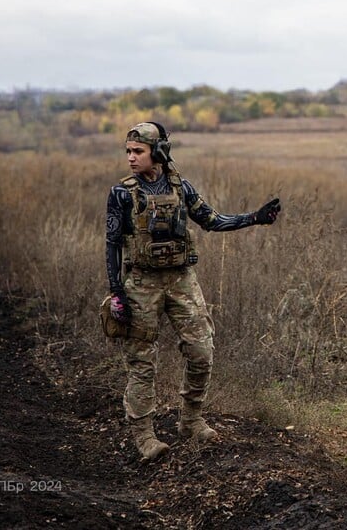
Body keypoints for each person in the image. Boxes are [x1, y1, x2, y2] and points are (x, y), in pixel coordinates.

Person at [105, 122, 281, 461]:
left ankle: (191, 420)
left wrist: (254, 218)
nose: (130, 158)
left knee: (202, 351)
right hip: (141, 283)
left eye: (137, 151)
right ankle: (144, 437)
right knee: (142, 362)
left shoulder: (180, 187)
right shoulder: (122, 194)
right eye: (128, 151)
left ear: (158, 152)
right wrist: (116, 292)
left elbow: (212, 219)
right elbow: (112, 245)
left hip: (182, 280)